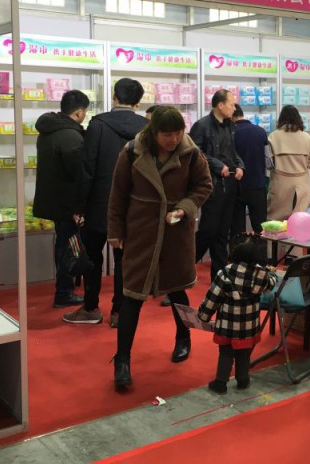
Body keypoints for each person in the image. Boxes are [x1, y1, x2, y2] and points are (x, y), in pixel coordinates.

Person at [107, 106, 213, 387]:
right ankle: (122, 359)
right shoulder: (132, 152)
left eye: (178, 133)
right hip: (141, 231)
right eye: (167, 134)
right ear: (154, 132)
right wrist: (115, 231)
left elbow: (204, 186)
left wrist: (184, 208)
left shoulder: (191, 153)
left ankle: (184, 337)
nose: (173, 140)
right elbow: (117, 194)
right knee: (132, 295)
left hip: (176, 232)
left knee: (178, 290)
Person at [64, 79, 148, 326]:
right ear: (138, 102)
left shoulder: (98, 124)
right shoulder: (146, 128)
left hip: (99, 204)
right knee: (125, 259)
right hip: (133, 205)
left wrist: (79, 207)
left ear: (114, 96)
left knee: (92, 256)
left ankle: (91, 307)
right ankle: (119, 312)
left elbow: (87, 168)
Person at [33, 90, 90, 309]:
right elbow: (78, 174)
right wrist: (80, 206)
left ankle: (65, 289)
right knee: (69, 245)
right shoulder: (70, 136)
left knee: (64, 243)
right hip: (67, 202)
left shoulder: (49, 130)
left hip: (54, 199)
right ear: (79, 112)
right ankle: (64, 292)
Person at [198, 233, 276, 394]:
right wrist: (271, 273)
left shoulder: (225, 273)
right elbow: (271, 283)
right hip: (249, 326)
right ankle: (243, 380)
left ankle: (221, 382)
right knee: (244, 353)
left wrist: (203, 316)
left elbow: (213, 298)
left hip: (228, 326)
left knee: (226, 353)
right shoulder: (261, 274)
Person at [190, 90, 245, 280]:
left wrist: (240, 165)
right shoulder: (202, 126)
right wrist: (217, 165)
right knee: (209, 230)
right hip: (211, 185)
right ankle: (182, 267)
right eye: (231, 103)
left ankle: (220, 277)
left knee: (222, 233)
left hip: (229, 184)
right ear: (220, 105)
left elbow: (233, 152)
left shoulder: (230, 126)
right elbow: (196, 153)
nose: (234, 108)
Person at [267, 105, 310, 220]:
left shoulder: (273, 136)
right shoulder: (307, 137)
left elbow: (268, 164)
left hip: (280, 184)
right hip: (301, 184)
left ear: (281, 119)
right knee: (298, 220)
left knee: (276, 222)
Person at [230, 104, 268, 237]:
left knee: (237, 229)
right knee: (261, 228)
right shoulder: (261, 131)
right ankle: (260, 251)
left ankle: (238, 251)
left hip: (236, 185)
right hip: (258, 185)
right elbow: (268, 159)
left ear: (231, 116)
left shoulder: (231, 133)